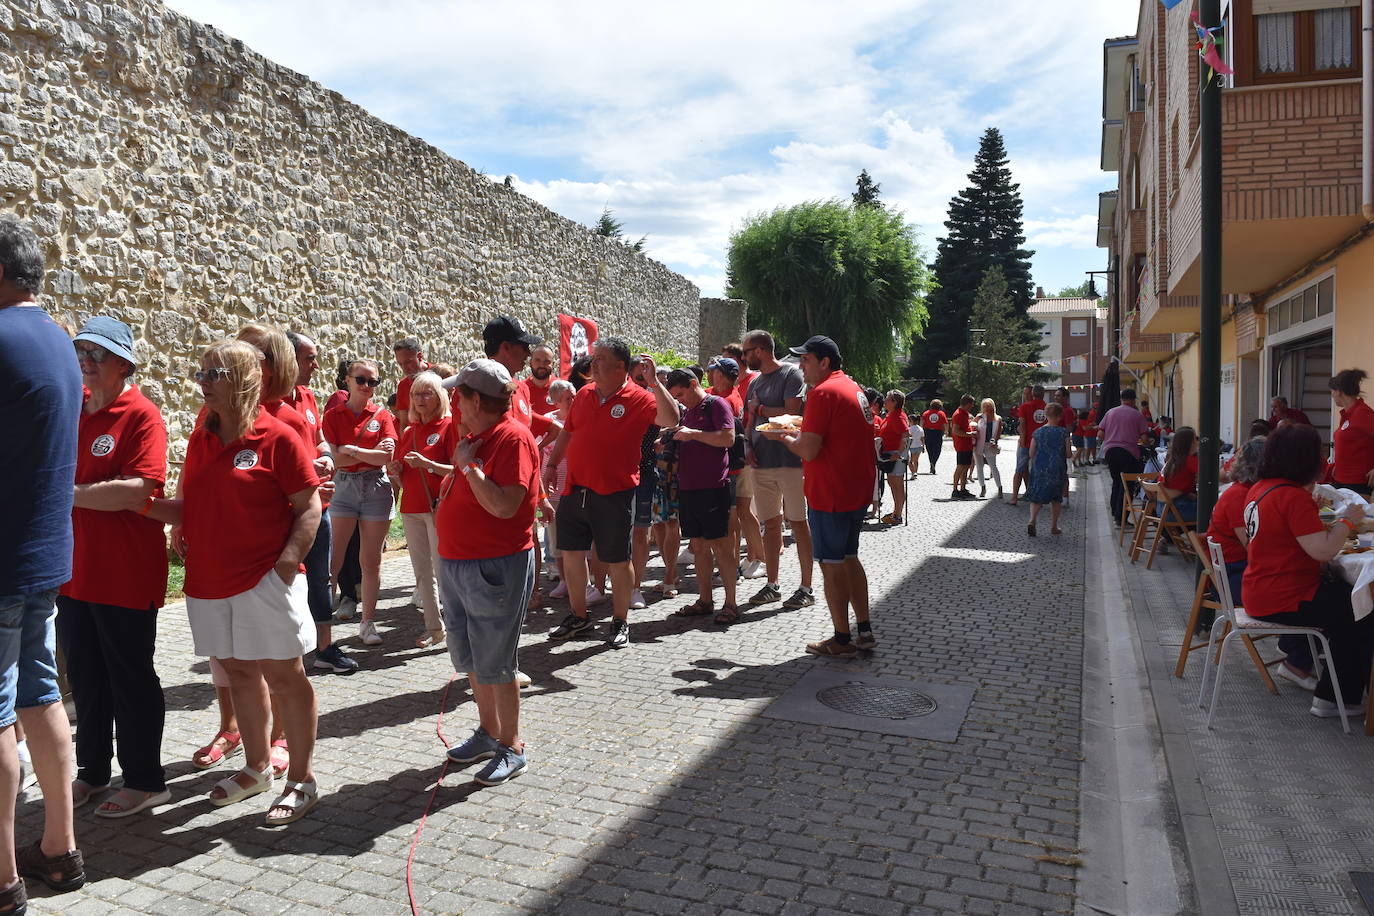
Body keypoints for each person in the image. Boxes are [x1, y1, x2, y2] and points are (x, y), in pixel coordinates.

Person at [147, 339, 322, 825]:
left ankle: (301, 780)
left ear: (244, 380)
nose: (202, 382)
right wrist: (140, 505)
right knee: (239, 673)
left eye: (214, 374)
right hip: (208, 583)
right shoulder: (202, 438)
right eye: (201, 373)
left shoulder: (278, 436)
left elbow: (309, 506)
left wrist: (285, 566)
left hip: (263, 580)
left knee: (285, 676)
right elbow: (192, 508)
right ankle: (257, 767)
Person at [0, 217, 85, 906]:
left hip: (2, 560)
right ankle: (60, 850)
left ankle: (3, 879)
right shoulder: (60, 342)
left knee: (1, 715)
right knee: (41, 695)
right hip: (42, 556)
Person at [59, 317, 170, 819]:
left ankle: (146, 780)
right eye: (81, 351)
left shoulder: (141, 414)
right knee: (85, 680)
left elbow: (139, 489)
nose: (86, 361)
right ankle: (92, 773)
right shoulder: (75, 410)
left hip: (125, 574)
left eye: (97, 354)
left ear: (124, 363)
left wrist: (69, 496)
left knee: (130, 679)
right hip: (75, 572)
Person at [436, 360, 540, 785]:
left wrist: (467, 467)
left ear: (476, 399)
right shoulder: (478, 436)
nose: (454, 402)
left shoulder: (512, 438)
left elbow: (504, 505)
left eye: (459, 394)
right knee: (473, 657)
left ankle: (511, 745)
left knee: (497, 659)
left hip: (494, 565)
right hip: (458, 561)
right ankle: (488, 731)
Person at [542, 339, 679, 648]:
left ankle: (620, 621)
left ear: (621, 367)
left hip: (615, 493)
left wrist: (655, 381)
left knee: (618, 559)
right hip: (575, 489)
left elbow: (671, 420)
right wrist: (551, 466)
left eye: (602, 359)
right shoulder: (585, 395)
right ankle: (579, 617)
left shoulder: (639, 397)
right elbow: (568, 432)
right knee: (574, 555)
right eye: (594, 358)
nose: (594, 364)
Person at [1240, 423, 1374, 719]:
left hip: (1261, 590)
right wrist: (1348, 521)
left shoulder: (1260, 489)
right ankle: (1338, 698)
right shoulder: (1292, 497)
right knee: (1361, 610)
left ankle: (1332, 688)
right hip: (1285, 596)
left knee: (1350, 600)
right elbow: (1323, 551)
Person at [766, 336, 876, 657]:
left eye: (806, 360)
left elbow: (809, 449)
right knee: (850, 557)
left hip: (831, 491)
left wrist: (784, 436)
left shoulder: (824, 392)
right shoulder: (852, 387)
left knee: (831, 565)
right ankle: (864, 630)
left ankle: (842, 639)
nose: (801, 366)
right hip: (854, 489)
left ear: (824, 362)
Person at [283, 333, 354, 674]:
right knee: (289, 580)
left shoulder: (308, 396)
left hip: (319, 506)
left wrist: (325, 455)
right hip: (286, 512)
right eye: (308, 358)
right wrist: (306, 471)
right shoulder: (265, 404)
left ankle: (324, 648)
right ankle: (288, 654)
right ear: (287, 358)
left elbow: (320, 438)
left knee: (322, 578)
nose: (315, 365)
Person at [322, 359, 397, 646]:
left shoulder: (383, 415)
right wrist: (368, 451)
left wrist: (351, 449)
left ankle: (367, 623)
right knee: (334, 560)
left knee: (371, 562)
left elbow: (386, 458)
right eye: (361, 380)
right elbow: (332, 458)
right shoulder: (333, 416)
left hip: (375, 486)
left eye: (373, 382)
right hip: (344, 486)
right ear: (347, 381)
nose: (367, 386)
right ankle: (321, 624)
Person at [742, 330, 815, 610]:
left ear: (760, 350)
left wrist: (760, 410)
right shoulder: (754, 382)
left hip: (790, 462)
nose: (744, 357)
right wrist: (748, 445)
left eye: (747, 352)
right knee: (770, 524)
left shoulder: (791, 374)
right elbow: (749, 418)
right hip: (761, 462)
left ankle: (806, 587)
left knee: (798, 523)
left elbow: (792, 415)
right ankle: (772, 585)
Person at [662, 369, 740, 624]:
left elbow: (728, 438)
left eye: (681, 394)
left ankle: (730, 603)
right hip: (688, 487)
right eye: (676, 396)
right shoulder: (688, 412)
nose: (680, 400)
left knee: (721, 546)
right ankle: (705, 600)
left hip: (713, 487)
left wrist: (693, 434)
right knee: (698, 546)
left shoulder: (716, 404)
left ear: (694, 384)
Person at [391, 371, 455, 648]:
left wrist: (427, 465)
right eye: (416, 394)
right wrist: (396, 469)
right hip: (411, 507)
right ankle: (434, 627)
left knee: (443, 570)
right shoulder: (410, 431)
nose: (419, 399)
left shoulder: (449, 427)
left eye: (426, 393)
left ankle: (455, 624)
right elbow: (403, 471)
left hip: (438, 508)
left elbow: (457, 469)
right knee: (421, 572)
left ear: (440, 396)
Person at [708, 357, 764, 578]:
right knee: (741, 513)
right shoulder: (725, 394)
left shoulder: (728, 400)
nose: (711, 375)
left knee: (737, 515)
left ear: (721, 375)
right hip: (737, 463)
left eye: (714, 372)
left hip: (735, 465)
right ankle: (752, 558)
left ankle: (748, 560)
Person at [1206, 436, 1264, 610]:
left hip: (1237, 570)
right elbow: (1252, 547)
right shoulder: (1239, 496)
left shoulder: (1245, 491)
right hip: (1232, 579)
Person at [1099, 388, 1152, 526]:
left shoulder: (1110, 412)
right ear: (1134, 400)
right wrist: (1145, 442)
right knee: (1127, 485)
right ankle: (1121, 516)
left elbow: (1100, 435)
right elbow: (1144, 438)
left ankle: (1114, 511)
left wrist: (1112, 437)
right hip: (1128, 452)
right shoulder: (1137, 415)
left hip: (1110, 451)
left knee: (1116, 481)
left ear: (1121, 399)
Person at [1027, 402, 1070, 537]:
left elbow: (1031, 453)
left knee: (1037, 496)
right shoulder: (1064, 432)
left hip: (1040, 467)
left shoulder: (1038, 432)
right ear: (1060, 416)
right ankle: (1053, 527)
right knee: (1056, 498)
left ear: (1045, 415)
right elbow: (1068, 453)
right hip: (1057, 468)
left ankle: (1032, 520)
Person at [1330, 369, 1374, 497]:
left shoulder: (1362, 413)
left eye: (1332, 391)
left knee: (1355, 517)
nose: (1332, 395)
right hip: (1342, 479)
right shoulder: (1348, 414)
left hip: (1358, 482)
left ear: (1339, 392)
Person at [1008, 385, 1046, 506]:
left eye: (1026, 394)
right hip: (1041, 444)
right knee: (1037, 470)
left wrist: (1022, 440)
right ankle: (1036, 496)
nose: (1025, 396)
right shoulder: (1047, 407)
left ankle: (1014, 497)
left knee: (1019, 470)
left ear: (1032, 394)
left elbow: (1023, 425)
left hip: (1027, 443)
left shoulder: (1025, 407)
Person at [877, 390, 910, 523]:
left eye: (887, 399)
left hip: (895, 455)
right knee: (893, 482)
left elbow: (906, 434)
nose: (884, 401)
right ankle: (896, 512)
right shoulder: (891, 415)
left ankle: (897, 515)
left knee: (897, 484)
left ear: (895, 402)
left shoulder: (897, 416)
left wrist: (899, 453)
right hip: (889, 454)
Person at [1159, 427, 1199, 522]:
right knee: (1214, 509)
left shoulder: (1172, 461)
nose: (1197, 442)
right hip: (1178, 510)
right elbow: (1209, 476)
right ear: (1190, 443)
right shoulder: (1190, 461)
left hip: (1162, 509)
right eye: (1195, 439)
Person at [392, 337, 430, 434]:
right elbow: (404, 423)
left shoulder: (440, 375)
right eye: (400, 364)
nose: (405, 368)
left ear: (420, 356)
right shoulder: (403, 385)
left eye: (408, 362)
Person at [974, 398, 1003, 500]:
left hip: (990, 445)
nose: (987, 408)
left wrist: (995, 441)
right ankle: (982, 487)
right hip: (978, 445)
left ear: (992, 406)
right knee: (979, 466)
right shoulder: (979, 417)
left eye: (989, 406)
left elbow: (999, 432)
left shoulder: (998, 418)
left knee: (993, 466)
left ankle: (999, 488)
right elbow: (972, 427)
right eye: (985, 406)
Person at [949, 395, 976, 499]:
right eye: (971, 404)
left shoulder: (964, 414)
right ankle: (955, 490)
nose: (972, 406)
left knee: (965, 467)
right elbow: (955, 431)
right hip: (962, 445)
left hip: (966, 444)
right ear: (968, 404)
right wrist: (970, 434)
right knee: (960, 466)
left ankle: (963, 489)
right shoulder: (958, 414)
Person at [523, 345, 558, 418]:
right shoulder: (521, 389)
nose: (542, 365)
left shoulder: (563, 389)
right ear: (530, 363)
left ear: (553, 364)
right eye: (537, 360)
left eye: (547, 361)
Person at [919, 399, 947, 476]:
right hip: (937, 432)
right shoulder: (941, 413)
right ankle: (933, 462)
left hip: (927, 432)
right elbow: (945, 423)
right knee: (937, 449)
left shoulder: (926, 413)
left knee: (929, 449)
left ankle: (931, 462)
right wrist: (946, 432)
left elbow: (922, 422)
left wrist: (921, 432)